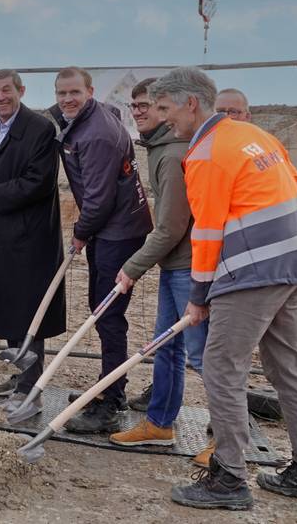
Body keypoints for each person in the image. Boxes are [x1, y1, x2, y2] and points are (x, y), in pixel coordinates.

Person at [153, 67, 297, 510]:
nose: (163, 119)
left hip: (254, 273)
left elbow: (208, 233)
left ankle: (230, 476)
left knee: (220, 366)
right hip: (295, 261)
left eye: (165, 108)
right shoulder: (254, 136)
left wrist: (199, 297)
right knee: (286, 367)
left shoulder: (206, 154)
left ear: (191, 103)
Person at [49, 66, 153, 434]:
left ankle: (111, 400)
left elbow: (98, 200)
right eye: (61, 93)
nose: (67, 100)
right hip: (111, 229)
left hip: (118, 232)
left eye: (74, 92)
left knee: (107, 314)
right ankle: (107, 387)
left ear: (90, 91)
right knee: (101, 309)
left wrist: (80, 233)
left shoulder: (97, 136)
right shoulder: (86, 119)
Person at [109, 77, 207, 454]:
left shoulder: (171, 155)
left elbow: (170, 227)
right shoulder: (159, 150)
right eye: (134, 106)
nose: (139, 112)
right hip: (174, 265)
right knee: (167, 347)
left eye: (149, 106)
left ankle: (226, 441)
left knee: (203, 356)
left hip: (188, 268)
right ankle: (159, 423)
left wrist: (133, 267)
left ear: (169, 111)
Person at [0, 70, 65, 415]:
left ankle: (30, 393)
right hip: (1, 232)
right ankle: (17, 376)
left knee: (29, 313)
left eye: (6, 91)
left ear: (21, 91)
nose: (0, 97)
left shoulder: (40, 129)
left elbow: (39, 182)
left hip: (31, 235)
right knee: (9, 306)